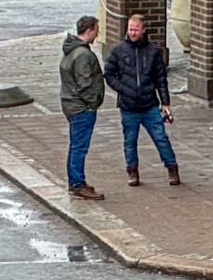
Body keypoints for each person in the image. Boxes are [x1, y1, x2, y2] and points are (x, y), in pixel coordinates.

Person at [104, 13, 179, 187]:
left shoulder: (153, 52)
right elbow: (109, 74)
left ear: (143, 30)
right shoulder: (118, 50)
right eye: (130, 29)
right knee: (130, 141)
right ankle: (132, 171)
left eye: (136, 29)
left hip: (149, 104)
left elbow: (161, 78)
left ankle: (172, 168)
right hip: (128, 105)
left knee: (161, 138)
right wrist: (123, 89)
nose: (132, 32)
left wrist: (165, 102)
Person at [59, 16, 106, 200]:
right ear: (89, 31)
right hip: (81, 107)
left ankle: (75, 181)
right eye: (96, 29)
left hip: (70, 103)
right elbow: (85, 83)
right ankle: (78, 184)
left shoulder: (70, 51)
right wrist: (93, 103)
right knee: (79, 146)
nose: (97, 33)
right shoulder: (83, 55)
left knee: (75, 145)